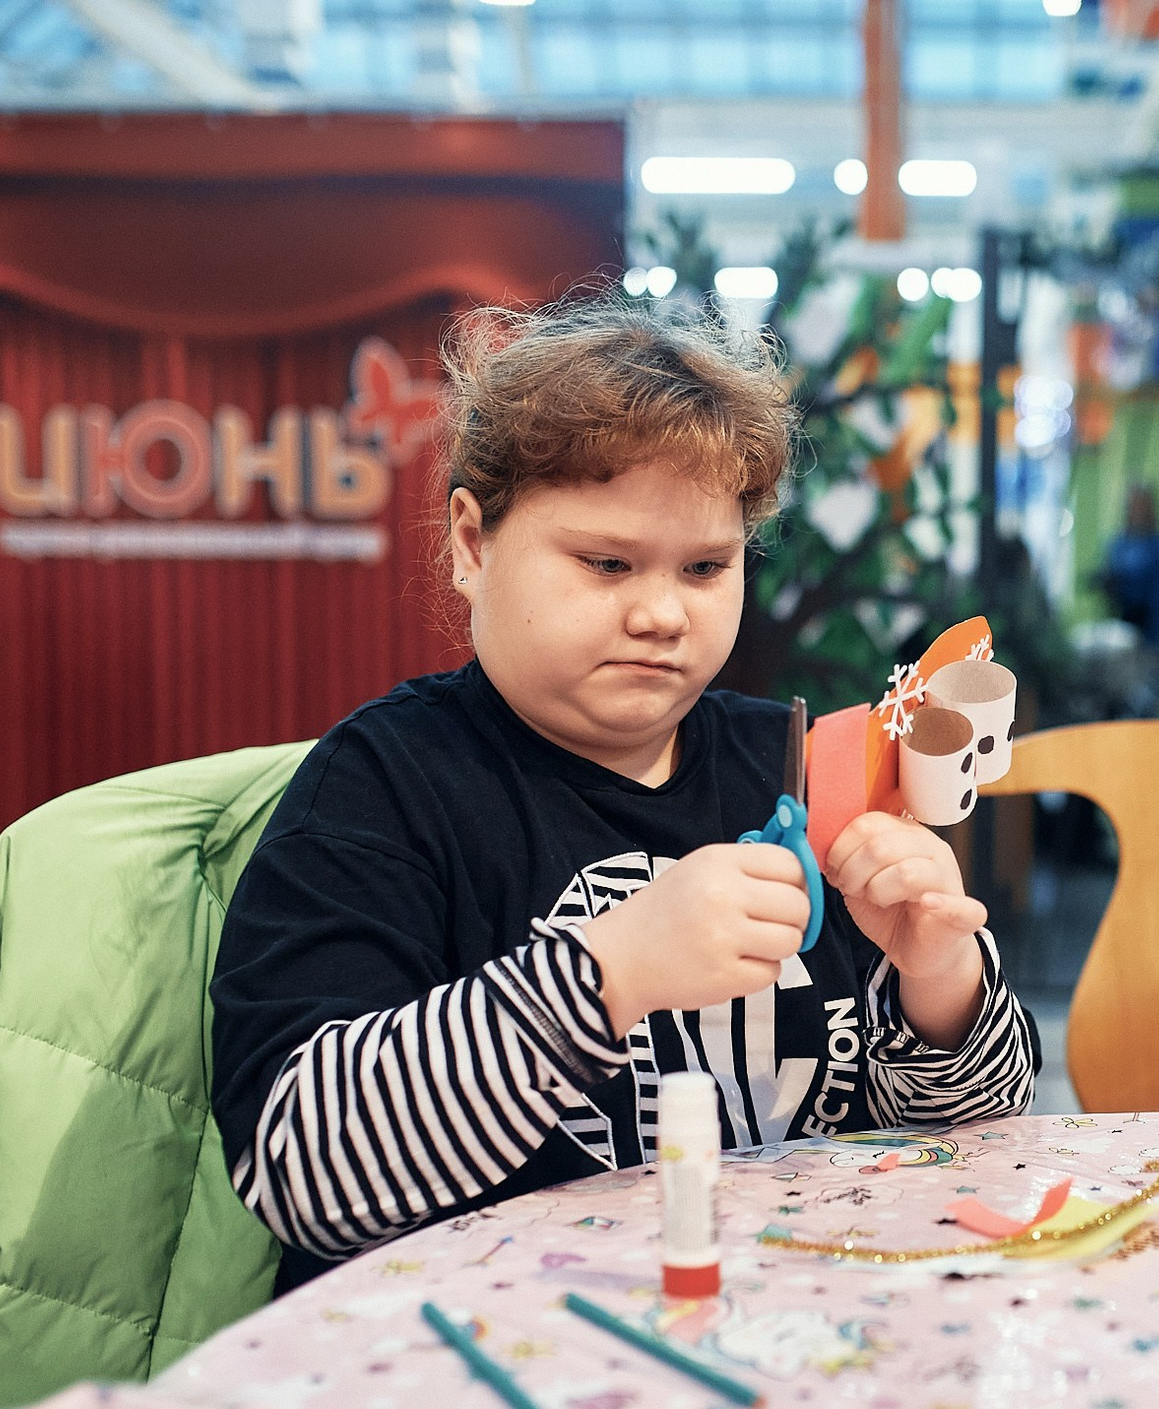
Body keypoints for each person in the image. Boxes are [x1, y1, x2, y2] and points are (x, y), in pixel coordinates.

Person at [211, 301, 1041, 1293]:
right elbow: (299, 1162)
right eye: (605, 563)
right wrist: (608, 974)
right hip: (483, 1362)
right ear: (472, 544)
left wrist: (938, 981)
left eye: (704, 567)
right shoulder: (387, 782)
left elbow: (972, 1141)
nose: (659, 612)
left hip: (782, 1332)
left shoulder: (794, 760)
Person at [1100, 483, 1159, 649]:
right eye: (1132, 506)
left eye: (1141, 505)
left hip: (1151, 633)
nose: (1137, 511)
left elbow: (1158, 594)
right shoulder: (1119, 543)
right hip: (1121, 628)